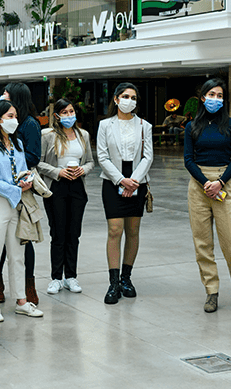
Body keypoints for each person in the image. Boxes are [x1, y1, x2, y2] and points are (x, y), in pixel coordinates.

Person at [184, 78, 231, 314]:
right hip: (199, 185)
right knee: (203, 243)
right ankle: (211, 292)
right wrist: (206, 183)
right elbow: (188, 159)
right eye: (211, 94)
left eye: (220, 95)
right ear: (202, 97)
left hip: (225, 182)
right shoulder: (192, 126)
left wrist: (220, 182)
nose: (216, 99)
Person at [0, 99, 44, 321]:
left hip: (17, 204)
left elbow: (24, 169)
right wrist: (16, 188)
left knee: (18, 256)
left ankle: (22, 301)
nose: (14, 121)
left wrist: (27, 180)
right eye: (10, 116)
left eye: (15, 116)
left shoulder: (17, 143)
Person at [96, 83, 153, 305]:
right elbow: (102, 156)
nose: (130, 100)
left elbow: (148, 156)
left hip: (138, 180)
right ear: (116, 99)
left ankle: (126, 278)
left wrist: (134, 181)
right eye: (125, 96)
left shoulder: (143, 125)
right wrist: (121, 180)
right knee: (114, 230)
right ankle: (113, 282)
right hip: (112, 180)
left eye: (133, 97)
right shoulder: (105, 125)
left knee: (133, 230)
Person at [37, 99, 94, 295]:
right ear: (57, 116)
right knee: (58, 233)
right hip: (56, 187)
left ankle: (71, 276)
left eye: (71, 111)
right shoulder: (48, 135)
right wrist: (57, 172)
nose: (69, 115)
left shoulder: (83, 135)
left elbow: (90, 162)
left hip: (77, 186)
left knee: (73, 233)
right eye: (65, 112)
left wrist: (82, 170)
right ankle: (56, 278)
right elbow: (38, 162)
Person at [0, 82, 42, 305]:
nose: (3, 97)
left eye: (6, 94)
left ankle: (28, 285)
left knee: (23, 237)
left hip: (21, 187)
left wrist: (14, 166)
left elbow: (34, 157)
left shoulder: (29, 124)